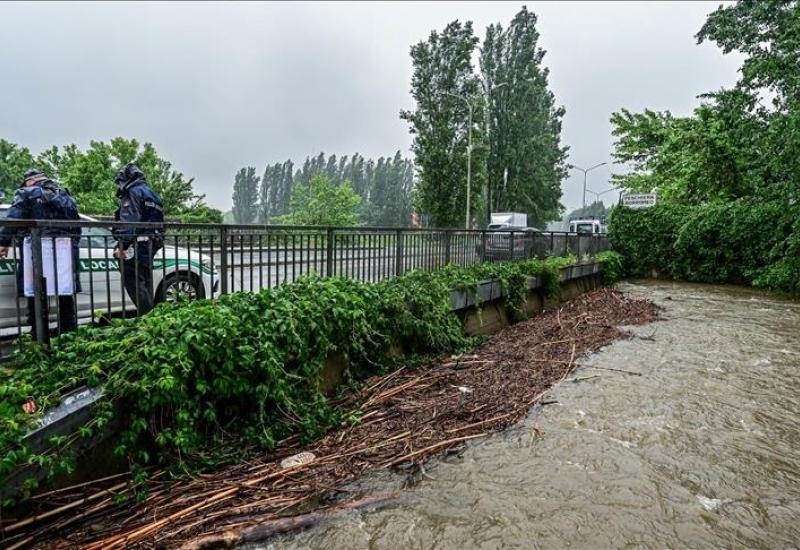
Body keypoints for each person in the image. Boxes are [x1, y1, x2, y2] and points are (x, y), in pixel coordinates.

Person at [0, 169, 81, 337]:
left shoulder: (26, 193)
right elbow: (77, 228)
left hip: (36, 250)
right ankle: (69, 333)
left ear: (31, 181)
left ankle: (39, 335)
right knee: (64, 291)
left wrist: (3, 242)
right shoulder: (66, 197)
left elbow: (13, 219)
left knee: (36, 291)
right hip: (64, 250)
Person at [113, 163, 164, 315]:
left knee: (133, 280)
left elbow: (130, 222)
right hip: (152, 241)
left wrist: (122, 246)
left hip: (138, 242)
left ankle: (148, 319)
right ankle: (152, 319)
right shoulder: (151, 193)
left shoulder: (133, 192)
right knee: (144, 280)